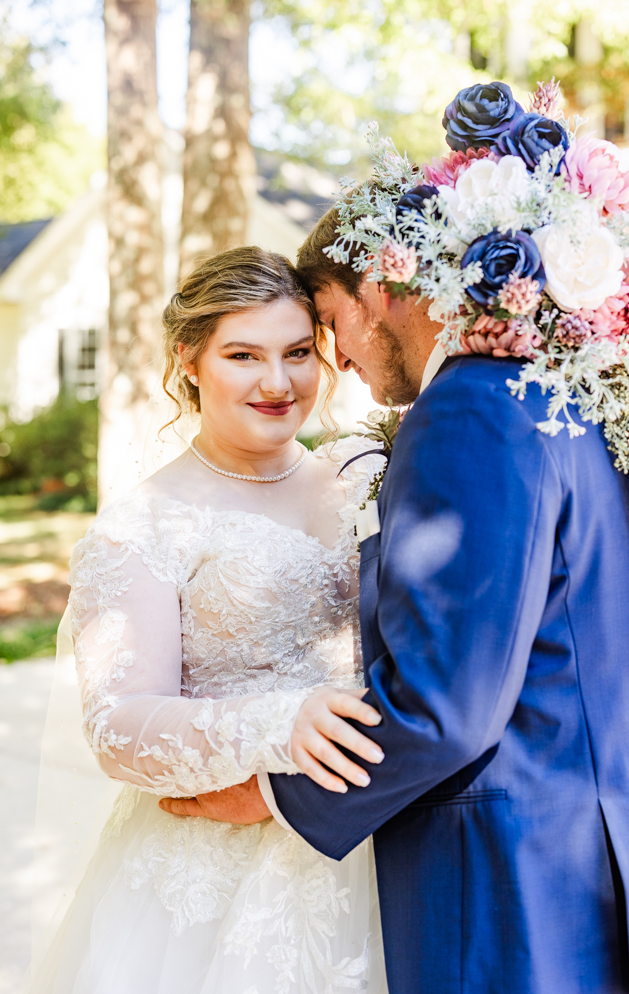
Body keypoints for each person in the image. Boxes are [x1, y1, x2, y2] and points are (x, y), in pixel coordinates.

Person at [169, 110, 629, 991]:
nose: (332, 360)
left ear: (383, 281)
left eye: (328, 323)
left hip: (502, 883)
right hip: (579, 846)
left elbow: (446, 702)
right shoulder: (558, 397)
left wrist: (270, 794)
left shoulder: (464, 410)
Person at [26, 246, 390, 994]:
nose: (277, 382)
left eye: (297, 352)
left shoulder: (367, 477)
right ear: (188, 359)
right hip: (218, 877)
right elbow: (117, 727)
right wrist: (280, 726)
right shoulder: (146, 522)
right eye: (242, 355)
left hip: (382, 837)